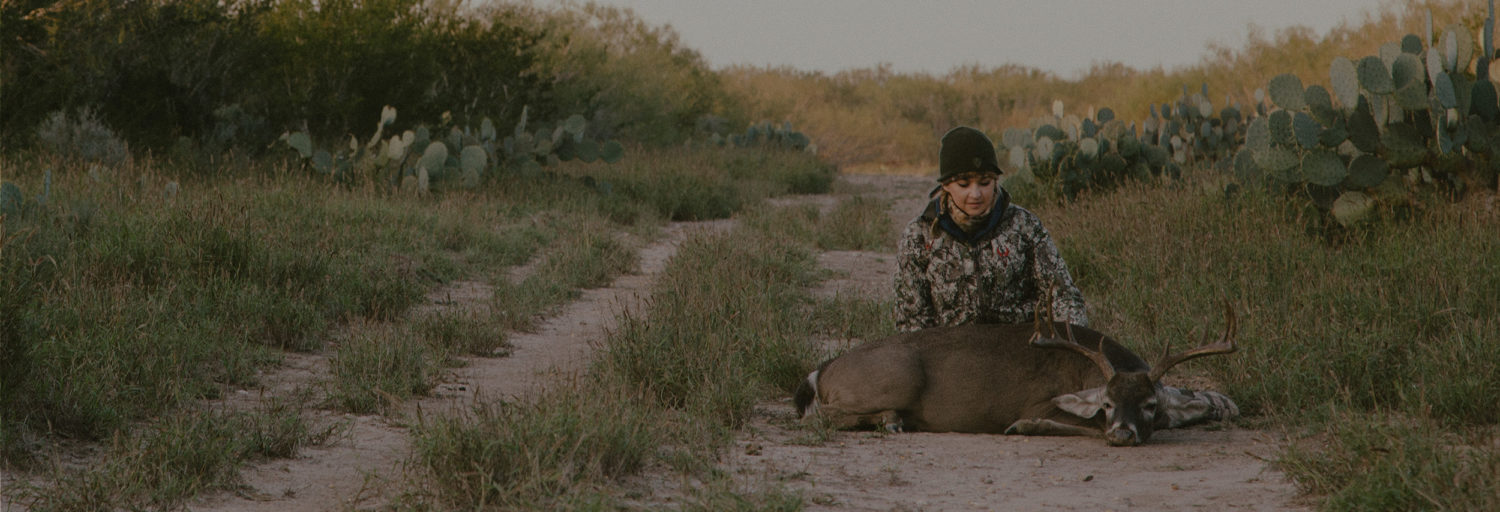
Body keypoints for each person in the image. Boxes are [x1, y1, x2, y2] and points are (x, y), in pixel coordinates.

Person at [893, 126, 1237, 427]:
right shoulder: (919, 236)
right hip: (955, 359)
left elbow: (1063, 293)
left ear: (996, 180)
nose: (976, 194)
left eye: (985, 182)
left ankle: (1190, 400)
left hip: (1026, 358)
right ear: (944, 186)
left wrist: (1073, 352)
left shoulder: (1024, 227)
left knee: (1114, 398)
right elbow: (911, 321)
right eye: (963, 183)